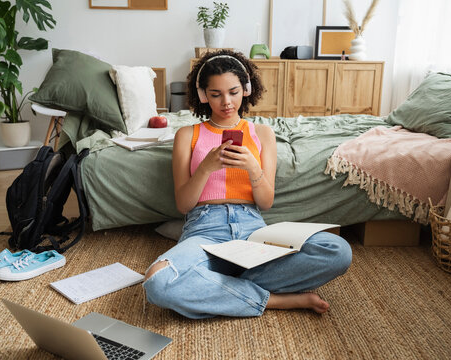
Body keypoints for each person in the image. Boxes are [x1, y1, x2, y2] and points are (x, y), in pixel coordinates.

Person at [142, 50, 351, 319]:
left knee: (338, 250)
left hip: (252, 229)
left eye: (233, 91)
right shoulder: (187, 134)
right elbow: (183, 204)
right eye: (215, 94)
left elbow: (266, 202)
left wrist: (253, 167)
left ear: (247, 89)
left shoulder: (262, 133)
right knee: (157, 281)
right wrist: (206, 167)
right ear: (204, 95)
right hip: (204, 230)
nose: (226, 102)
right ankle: (275, 299)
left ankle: (217, 283)